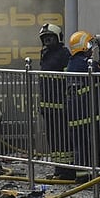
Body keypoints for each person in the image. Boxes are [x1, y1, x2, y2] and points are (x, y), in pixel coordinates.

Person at [65, 30, 100, 181]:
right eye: (90, 44)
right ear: (84, 46)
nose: (91, 48)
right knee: (97, 143)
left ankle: (83, 176)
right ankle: (99, 175)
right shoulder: (86, 64)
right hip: (90, 111)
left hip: (77, 112)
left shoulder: (72, 62)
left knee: (81, 145)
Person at [37, 23, 73, 180]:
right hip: (47, 105)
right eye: (44, 38)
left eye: (50, 38)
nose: (47, 41)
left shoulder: (64, 54)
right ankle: (58, 169)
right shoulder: (45, 53)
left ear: (58, 38)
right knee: (53, 139)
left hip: (60, 105)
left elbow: (68, 78)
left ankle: (67, 171)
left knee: (63, 139)